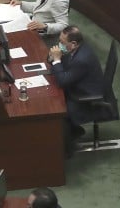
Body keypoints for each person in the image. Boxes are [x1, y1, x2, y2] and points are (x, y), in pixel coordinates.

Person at [49, 26, 105, 154]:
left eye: (62, 43)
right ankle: (73, 131)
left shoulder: (82, 59)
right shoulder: (77, 50)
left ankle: (66, 149)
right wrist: (53, 58)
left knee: (56, 111)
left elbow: (62, 81)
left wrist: (56, 60)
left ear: (73, 43)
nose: (59, 45)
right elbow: (64, 67)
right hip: (77, 87)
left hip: (84, 97)